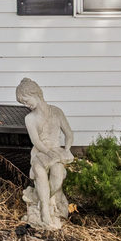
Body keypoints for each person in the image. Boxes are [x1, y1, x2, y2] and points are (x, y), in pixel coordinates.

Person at [17, 78, 74, 231]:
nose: (26, 104)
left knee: (58, 175)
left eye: (25, 100)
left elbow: (69, 133)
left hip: (56, 151)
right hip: (40, 153)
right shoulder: (30, 118)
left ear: (34, 93)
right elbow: (36, 142)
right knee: (40, 172)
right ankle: (44, 212)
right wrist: (49, 154)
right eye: (23, 103)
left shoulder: (56, 112)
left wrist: (66, 149)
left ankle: (44, 200)